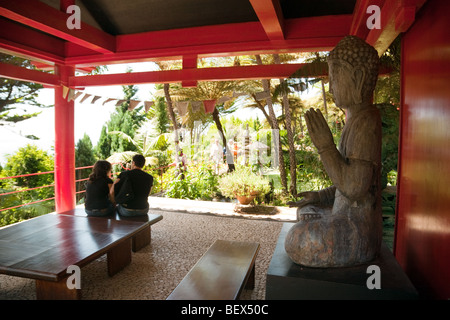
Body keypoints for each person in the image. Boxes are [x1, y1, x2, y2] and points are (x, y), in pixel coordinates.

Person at [285, 36, 383, 267]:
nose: (330, 88)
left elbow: (354, 188)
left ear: (358, 79)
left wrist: (325, 146)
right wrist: (319, 197)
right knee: (305, 213)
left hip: (358, 231)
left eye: (335, 78)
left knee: (297, 239)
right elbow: (347, 186)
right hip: (344, 217)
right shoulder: (355, 120)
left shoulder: (366, 121)